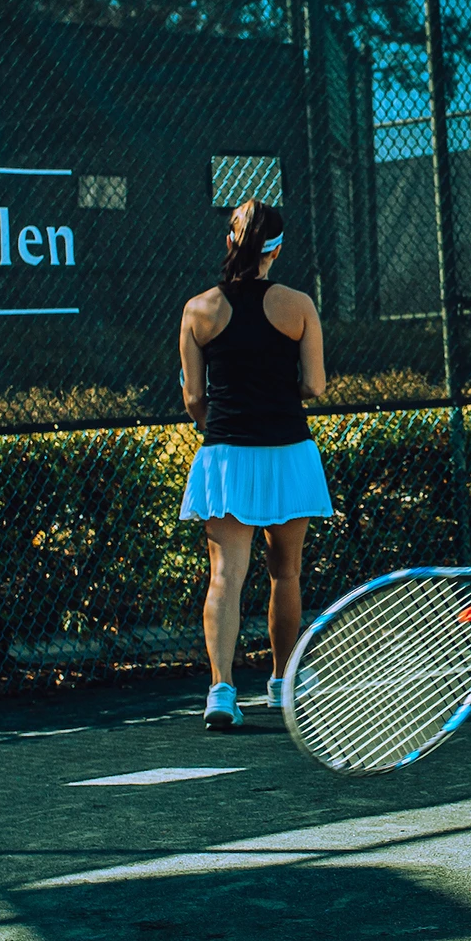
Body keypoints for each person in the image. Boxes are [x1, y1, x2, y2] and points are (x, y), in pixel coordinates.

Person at [179, 199, 332, 729]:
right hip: (288, 450)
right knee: (284, 572)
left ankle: (221, 692)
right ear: (277, 249)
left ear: (230, 242)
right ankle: (282, 684)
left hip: (225, 455)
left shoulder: (198, 309)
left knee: (226, 576)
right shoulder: (300, 305)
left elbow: (195, 401)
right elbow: (314, 385)